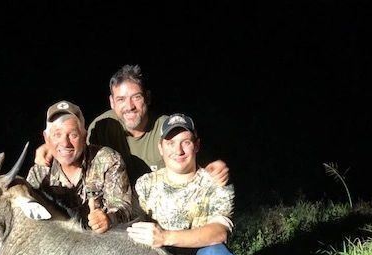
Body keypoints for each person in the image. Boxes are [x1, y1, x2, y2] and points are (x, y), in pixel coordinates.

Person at [35, 64, 230, 187]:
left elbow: (198, 157)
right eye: (121, 99)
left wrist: (215, 167)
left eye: (136, 97)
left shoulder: (167, 127)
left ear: (147, 98)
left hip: (160, 207)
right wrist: (49, 147)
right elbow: (75, 146)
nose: (129, 106)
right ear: (112, 102)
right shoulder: (102, 127)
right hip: (119, 208)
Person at [0, 100, 133, 240]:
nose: (65, 143)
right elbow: (21, 216)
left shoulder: (107, 160)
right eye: (57, 135)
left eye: (73, 135)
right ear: (46, 138)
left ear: (84, 136)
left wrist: (108, 219)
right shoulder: (39, 174)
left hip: (104, 243)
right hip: (60, 246)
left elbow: (125, 209)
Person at [126, 113, 235, 255]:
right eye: (170, 143)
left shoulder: (216, 182)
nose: (178, 151)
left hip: (199, 253)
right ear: (160, 148)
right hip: (158, 254)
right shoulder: (145, 184)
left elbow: (219, 232)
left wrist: (165, 237)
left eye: (186, 142)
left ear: (196, 146)